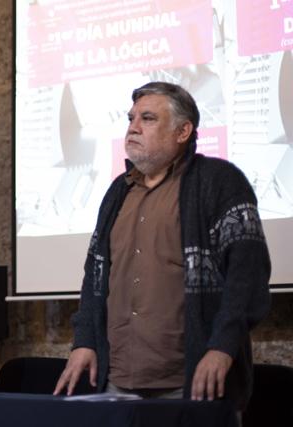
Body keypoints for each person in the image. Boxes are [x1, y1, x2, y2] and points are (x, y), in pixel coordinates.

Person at [54, 82, 271, 411]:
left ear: (183, 131)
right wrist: (84, 340)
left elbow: (247, 274)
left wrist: (223, 346)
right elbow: (94, 276)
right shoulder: (117, 192)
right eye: (131, 119)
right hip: (118, 381)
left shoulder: (219, 182)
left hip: (190, 382)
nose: (133, 128)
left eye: (148, 118)